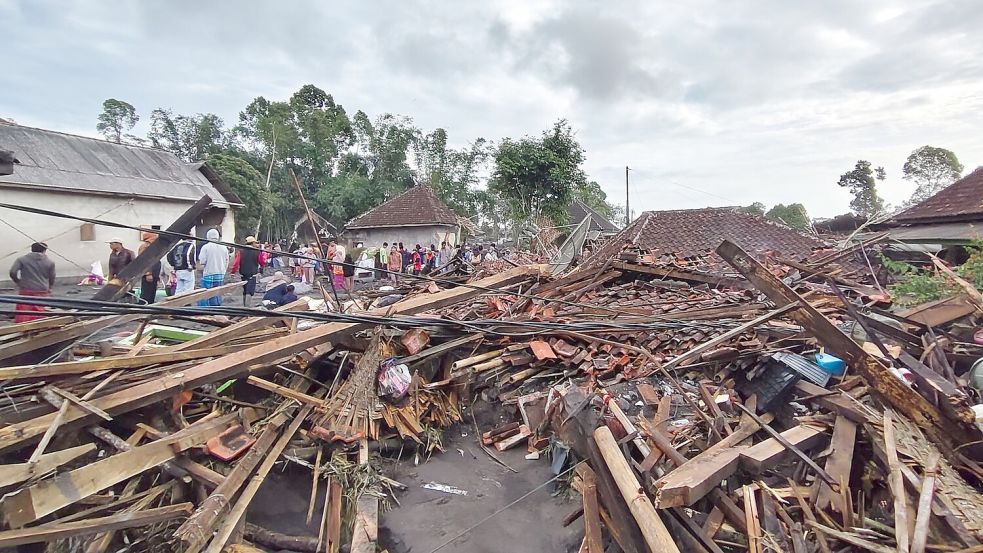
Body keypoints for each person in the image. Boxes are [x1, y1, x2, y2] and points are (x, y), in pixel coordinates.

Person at [9, 242, 56, 323]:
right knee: (39, 309)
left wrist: (18, 282)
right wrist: (50, 287)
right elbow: (52, 277)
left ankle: (22, 326)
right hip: (42, 289)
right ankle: (38, 326)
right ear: (44, 250)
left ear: (31, 249)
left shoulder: (21, 259)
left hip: (26, 288)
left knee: (24, 308)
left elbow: (13, 272)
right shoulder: (50, 262)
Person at [197, 228, 230, 307]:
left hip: (209, 273)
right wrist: (223, 270)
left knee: (208, 293)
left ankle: (207, 310)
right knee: (217, 292)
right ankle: (217, 308)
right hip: (220, 273)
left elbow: (202, 261)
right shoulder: (224, 247)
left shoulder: (206, 247)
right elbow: (227, 260)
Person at [237, 236, 262, 307]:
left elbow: (237, 262)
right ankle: (247, 307)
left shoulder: (241, 251)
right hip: (252, 274)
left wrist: (233, 272)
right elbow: (262, 262)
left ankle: (244, 306)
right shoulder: (257, 251)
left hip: (243, 274)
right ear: (252, 243)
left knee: (245, 290)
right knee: (250, 291)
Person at [137, 232, 161, 304]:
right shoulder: (145, 247)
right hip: (149, 274)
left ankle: (149, 306)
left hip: (154, 273)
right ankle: (144, 307)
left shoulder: (152, 247)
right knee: (146, 293)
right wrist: (148, 273)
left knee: (151, 292)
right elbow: (144, 261)